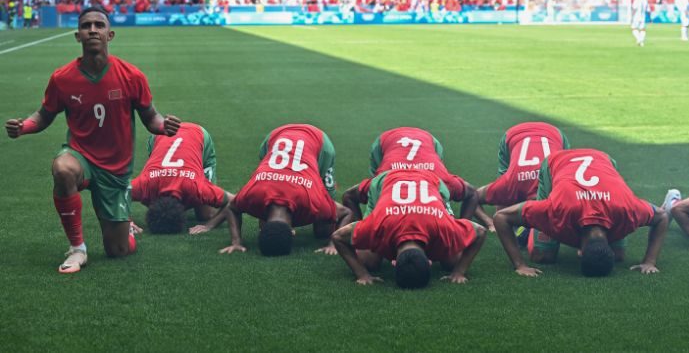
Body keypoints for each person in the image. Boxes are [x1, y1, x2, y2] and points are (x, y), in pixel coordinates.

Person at [4, 6, 180, 273]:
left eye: (99, 25)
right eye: (87, 26)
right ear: (78, 36)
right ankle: (77, 249)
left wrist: (163, 125)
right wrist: (23, 127)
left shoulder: (131, 76)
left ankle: (125, 226)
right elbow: (44, 115)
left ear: (110, 34)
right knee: (63, 169)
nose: (93, 30)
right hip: (81, 155)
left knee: (118, 251)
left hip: (116, 170)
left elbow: (150, 116)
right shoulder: (62, 78)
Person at [493, 148, 668, 277]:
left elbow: (662, 216)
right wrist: (519, 265)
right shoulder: (557, 209)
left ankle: (533, 222)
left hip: (603, 161)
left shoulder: (627, 211)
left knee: (620, 257)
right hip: (557, 162)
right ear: (580, 252)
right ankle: (527, 229)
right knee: (542, 256)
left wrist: (649, 261)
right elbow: (501, 217)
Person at [201, 124, 351, 256]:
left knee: (323, 232)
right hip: (274, 137)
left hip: (318, 142)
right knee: (323, 226)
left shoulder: (312, 202)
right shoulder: (253, 196)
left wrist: (333, 244)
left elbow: (346, 213)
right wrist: (236, 241)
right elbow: (231, 208)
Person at [332, 169, 487, 287]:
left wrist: (363, 276)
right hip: (387, 180)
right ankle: (367, 244)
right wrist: (362, 273)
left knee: (451, 261)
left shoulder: (442, 228)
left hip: (429, 181)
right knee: (369, 261)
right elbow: (480, 231)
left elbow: (338, 236)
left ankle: (367, 243)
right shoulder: (378, 226)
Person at [341, 127, 480, 223]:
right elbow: (349, 196)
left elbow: (348, 196)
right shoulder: (380, 183)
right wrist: (360, 232)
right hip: (387, 141)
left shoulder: (444, 182)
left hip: (427, 141)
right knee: (377, 202)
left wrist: (464, 229)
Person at [460, 122, 569, 232]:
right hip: (518, 135)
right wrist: (491, 222)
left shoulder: (511, 185)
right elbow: (474, 197)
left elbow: (472, 196)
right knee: (502, 208)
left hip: (553, 134)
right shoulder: (510, 185)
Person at [131, 122, 235, 234]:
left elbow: (234, 201)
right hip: (161, 134)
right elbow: (114, 194)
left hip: (197, 134)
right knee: (203, 210)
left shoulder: (195, 187)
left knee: (206, 215)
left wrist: (209, 225)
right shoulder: (145, 184)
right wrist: (126, 222)